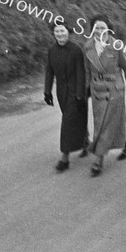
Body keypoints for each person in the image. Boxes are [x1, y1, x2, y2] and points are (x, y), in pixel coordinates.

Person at [84, 15, 126, 177]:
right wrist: (87, 89)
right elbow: (88, 70)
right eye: (96, 28)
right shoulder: (87, 47)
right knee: (105, 121)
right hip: (97, 90)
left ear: (108, 29)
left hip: (115, 90)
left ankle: (98, 160)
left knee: (104, 125)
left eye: (102, 28)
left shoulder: (115, 46)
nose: (99, 31)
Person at [44, 21, 88, 172]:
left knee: (67, 123)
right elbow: (49, 71)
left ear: (68, 32)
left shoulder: (76, 50)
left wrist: (80, 94)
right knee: (72, 119)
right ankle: (85, 141)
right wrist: (47, 91)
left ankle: (65, 158)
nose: (60, 34)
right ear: (53, 34)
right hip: (61, 92)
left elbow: (81, 73)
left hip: (75, 91)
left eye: (62, 31)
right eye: (57, 32)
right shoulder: (51, 50)